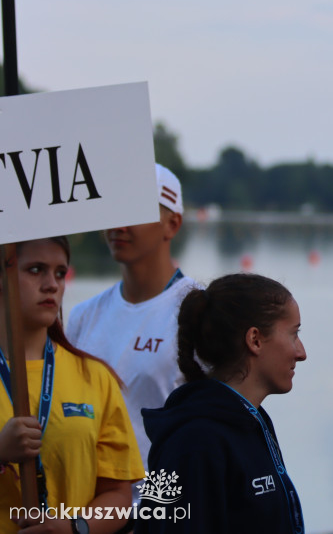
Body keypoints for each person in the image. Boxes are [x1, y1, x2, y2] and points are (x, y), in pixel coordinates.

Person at [66, 164, 199, 501]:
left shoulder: (199, 312)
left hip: (162, 511)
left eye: (135, 212)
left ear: (173, 224)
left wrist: (153, 510)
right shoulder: (83, 315)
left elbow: (207, 433)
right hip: (91, 511)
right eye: (114, 211)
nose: (119, 225)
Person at [137, 273, 306, 534]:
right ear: (255, 340)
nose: (301, 352)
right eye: (294, 334)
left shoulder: (250, 421)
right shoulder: (193, 443)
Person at [0, 237, 144, 534]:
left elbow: (119, 495)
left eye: (60, 272)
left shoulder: (95, 376)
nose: (52, 284)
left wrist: (73, 528)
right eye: (36, 269)